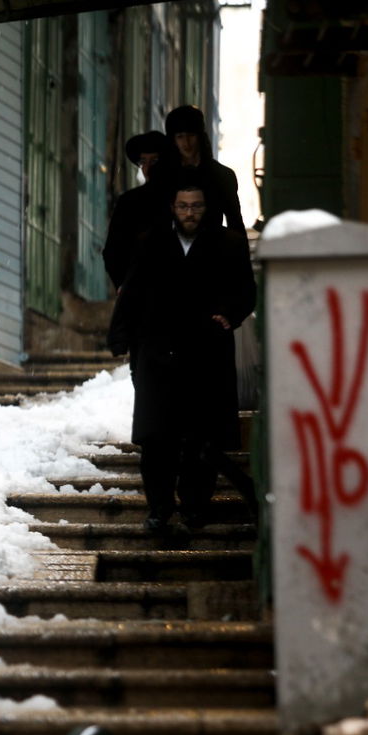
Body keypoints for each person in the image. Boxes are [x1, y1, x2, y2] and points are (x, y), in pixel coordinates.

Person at [107, 183, 256, 530]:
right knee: (157, 437)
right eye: (183, 206)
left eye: (196, 206)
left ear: (207, 207)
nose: (190, 213)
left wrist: (229, 315)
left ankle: (194, 506)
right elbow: (132, 290)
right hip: (158, 351)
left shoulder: (228, 243)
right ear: (173, 208)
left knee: (202, 435)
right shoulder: (151, 242)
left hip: (207, 352)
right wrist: (121, 336)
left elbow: (246, 290)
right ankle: (159, 508)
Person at [102, 130, 176, 291]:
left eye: (154, 161)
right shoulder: (128, 202)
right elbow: (112, 251)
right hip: (138, 289)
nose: (148, 168)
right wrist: (123, 284)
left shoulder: (180, 199)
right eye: (143, 162)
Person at [164, 104, 245, 236]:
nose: (186, 143)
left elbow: (235, 223)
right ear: (173, 140)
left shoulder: (223, 175)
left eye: (191, 135)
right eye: (180, 136)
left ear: (199, 136)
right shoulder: (165, 176)